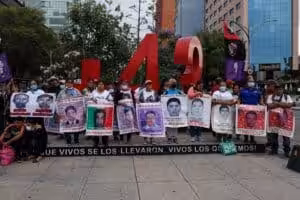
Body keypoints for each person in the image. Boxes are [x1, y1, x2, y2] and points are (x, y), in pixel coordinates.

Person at [266, 84, 294, 157]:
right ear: (275, 90)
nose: (279, 90)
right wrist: (283, 104)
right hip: (273, 120)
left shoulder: (287, 97)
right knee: (274, 136)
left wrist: (277, 103)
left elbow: (289, 105)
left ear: (282, 90)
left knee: (286, 135)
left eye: (280, 89)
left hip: (285, 120)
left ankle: (287, 151)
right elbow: (270, 106)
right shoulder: (270, 97)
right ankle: (274, 150)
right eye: (277, 89)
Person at [239, 76, 264, 143]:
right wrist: (238, 105)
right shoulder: (242, 91)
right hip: (245, 110)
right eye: (250, 81)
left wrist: (263, 105)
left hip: (254, 111)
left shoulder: (257, 91)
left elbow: (260, 100)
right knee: (245, 124)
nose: (251, 82)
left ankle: (252, 138)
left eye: (252, 81)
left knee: (253, 124)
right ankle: (246, 138)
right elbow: (239, 99)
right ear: (247, 82)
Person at [57, 79, 82, 145]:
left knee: (76, 125)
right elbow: (58, 101)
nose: (69, 84)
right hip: (65, 112)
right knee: (66, 125)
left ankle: (76, 140)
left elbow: (81, 100)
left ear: (72, 84)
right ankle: (68, 141)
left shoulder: (77, 91)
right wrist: (59, 111)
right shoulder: (62, 92)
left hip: (74, 111)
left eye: (70, 83)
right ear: (66, 84)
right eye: (68, 83)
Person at [91, 81, 113, 147]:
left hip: (104, 112)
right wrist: (93, 100)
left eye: (102, 84)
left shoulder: (107, 93)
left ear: (104, 86)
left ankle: (105, 142)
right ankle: (96, 142)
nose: (101, 85)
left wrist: (106, 102)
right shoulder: (93, 92)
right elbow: (89, 100)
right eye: (99, 84)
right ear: (97, 85)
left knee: (104, 127)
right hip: (96, 112)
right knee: (96, 127)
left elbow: (111, 100)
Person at [163, 78, 184, 143]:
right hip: (168, 112)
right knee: (168, 124)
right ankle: (169, 137)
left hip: (176, 113)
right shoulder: (166, 92)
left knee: (175, 124)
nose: (173, 83)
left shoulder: (179, 91)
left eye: (174, 82)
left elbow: (184, 97)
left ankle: (175, 137)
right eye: (172, 82)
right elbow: (163, 99)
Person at [139, 80, 159, 144]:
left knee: (153, 125)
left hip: (153, 111)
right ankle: (145, 139)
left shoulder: (154, 92)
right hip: (145, 112)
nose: (149, 85)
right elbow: (140, 100)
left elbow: (158, 100)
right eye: (148, 84)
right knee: (145, 125)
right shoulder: (142, 93)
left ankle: (152, 139)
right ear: (145, 86)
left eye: (150, 84)